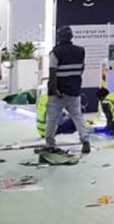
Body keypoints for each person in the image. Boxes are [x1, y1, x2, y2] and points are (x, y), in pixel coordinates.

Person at [45, 26, 90, 154]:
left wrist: (55, 89)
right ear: (71, 37)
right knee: (78, 116)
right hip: (74, 91)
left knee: (52, 119)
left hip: (58, 93)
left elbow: (52, 72)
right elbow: (81, 69)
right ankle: (85, 140)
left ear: (59, 37)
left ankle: (49, 144)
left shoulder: (55, 53)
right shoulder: (80, 51)